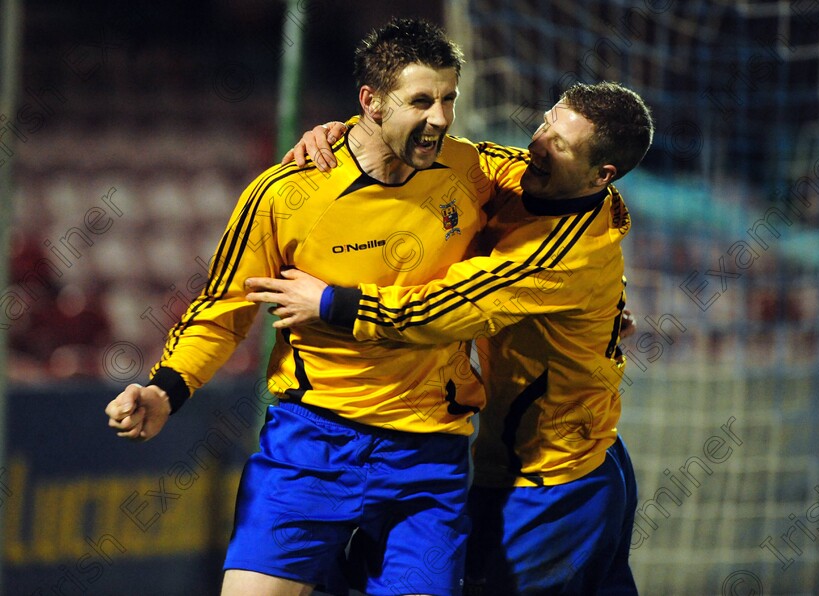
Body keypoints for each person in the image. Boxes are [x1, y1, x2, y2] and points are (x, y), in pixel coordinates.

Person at [104, 18, 528, 596]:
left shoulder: (473, 170)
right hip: (312, 447)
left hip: (428, 453)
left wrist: (603, 300)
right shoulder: (288, 192)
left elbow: (574, 195)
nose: (441, 119)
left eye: (449, 99)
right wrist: (164, 389)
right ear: (371, 103)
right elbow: (226, 306)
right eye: (422, 101)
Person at [245, 81, 654, 595]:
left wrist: (331, 303)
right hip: (583, 459)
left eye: (561, 145)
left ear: (603, 175)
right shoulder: (538, 179)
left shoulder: (558, 255)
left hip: (552, 478)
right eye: (547, 121)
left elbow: (444, 310)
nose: (538, 143)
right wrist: (352, 133)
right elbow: (458, 155)